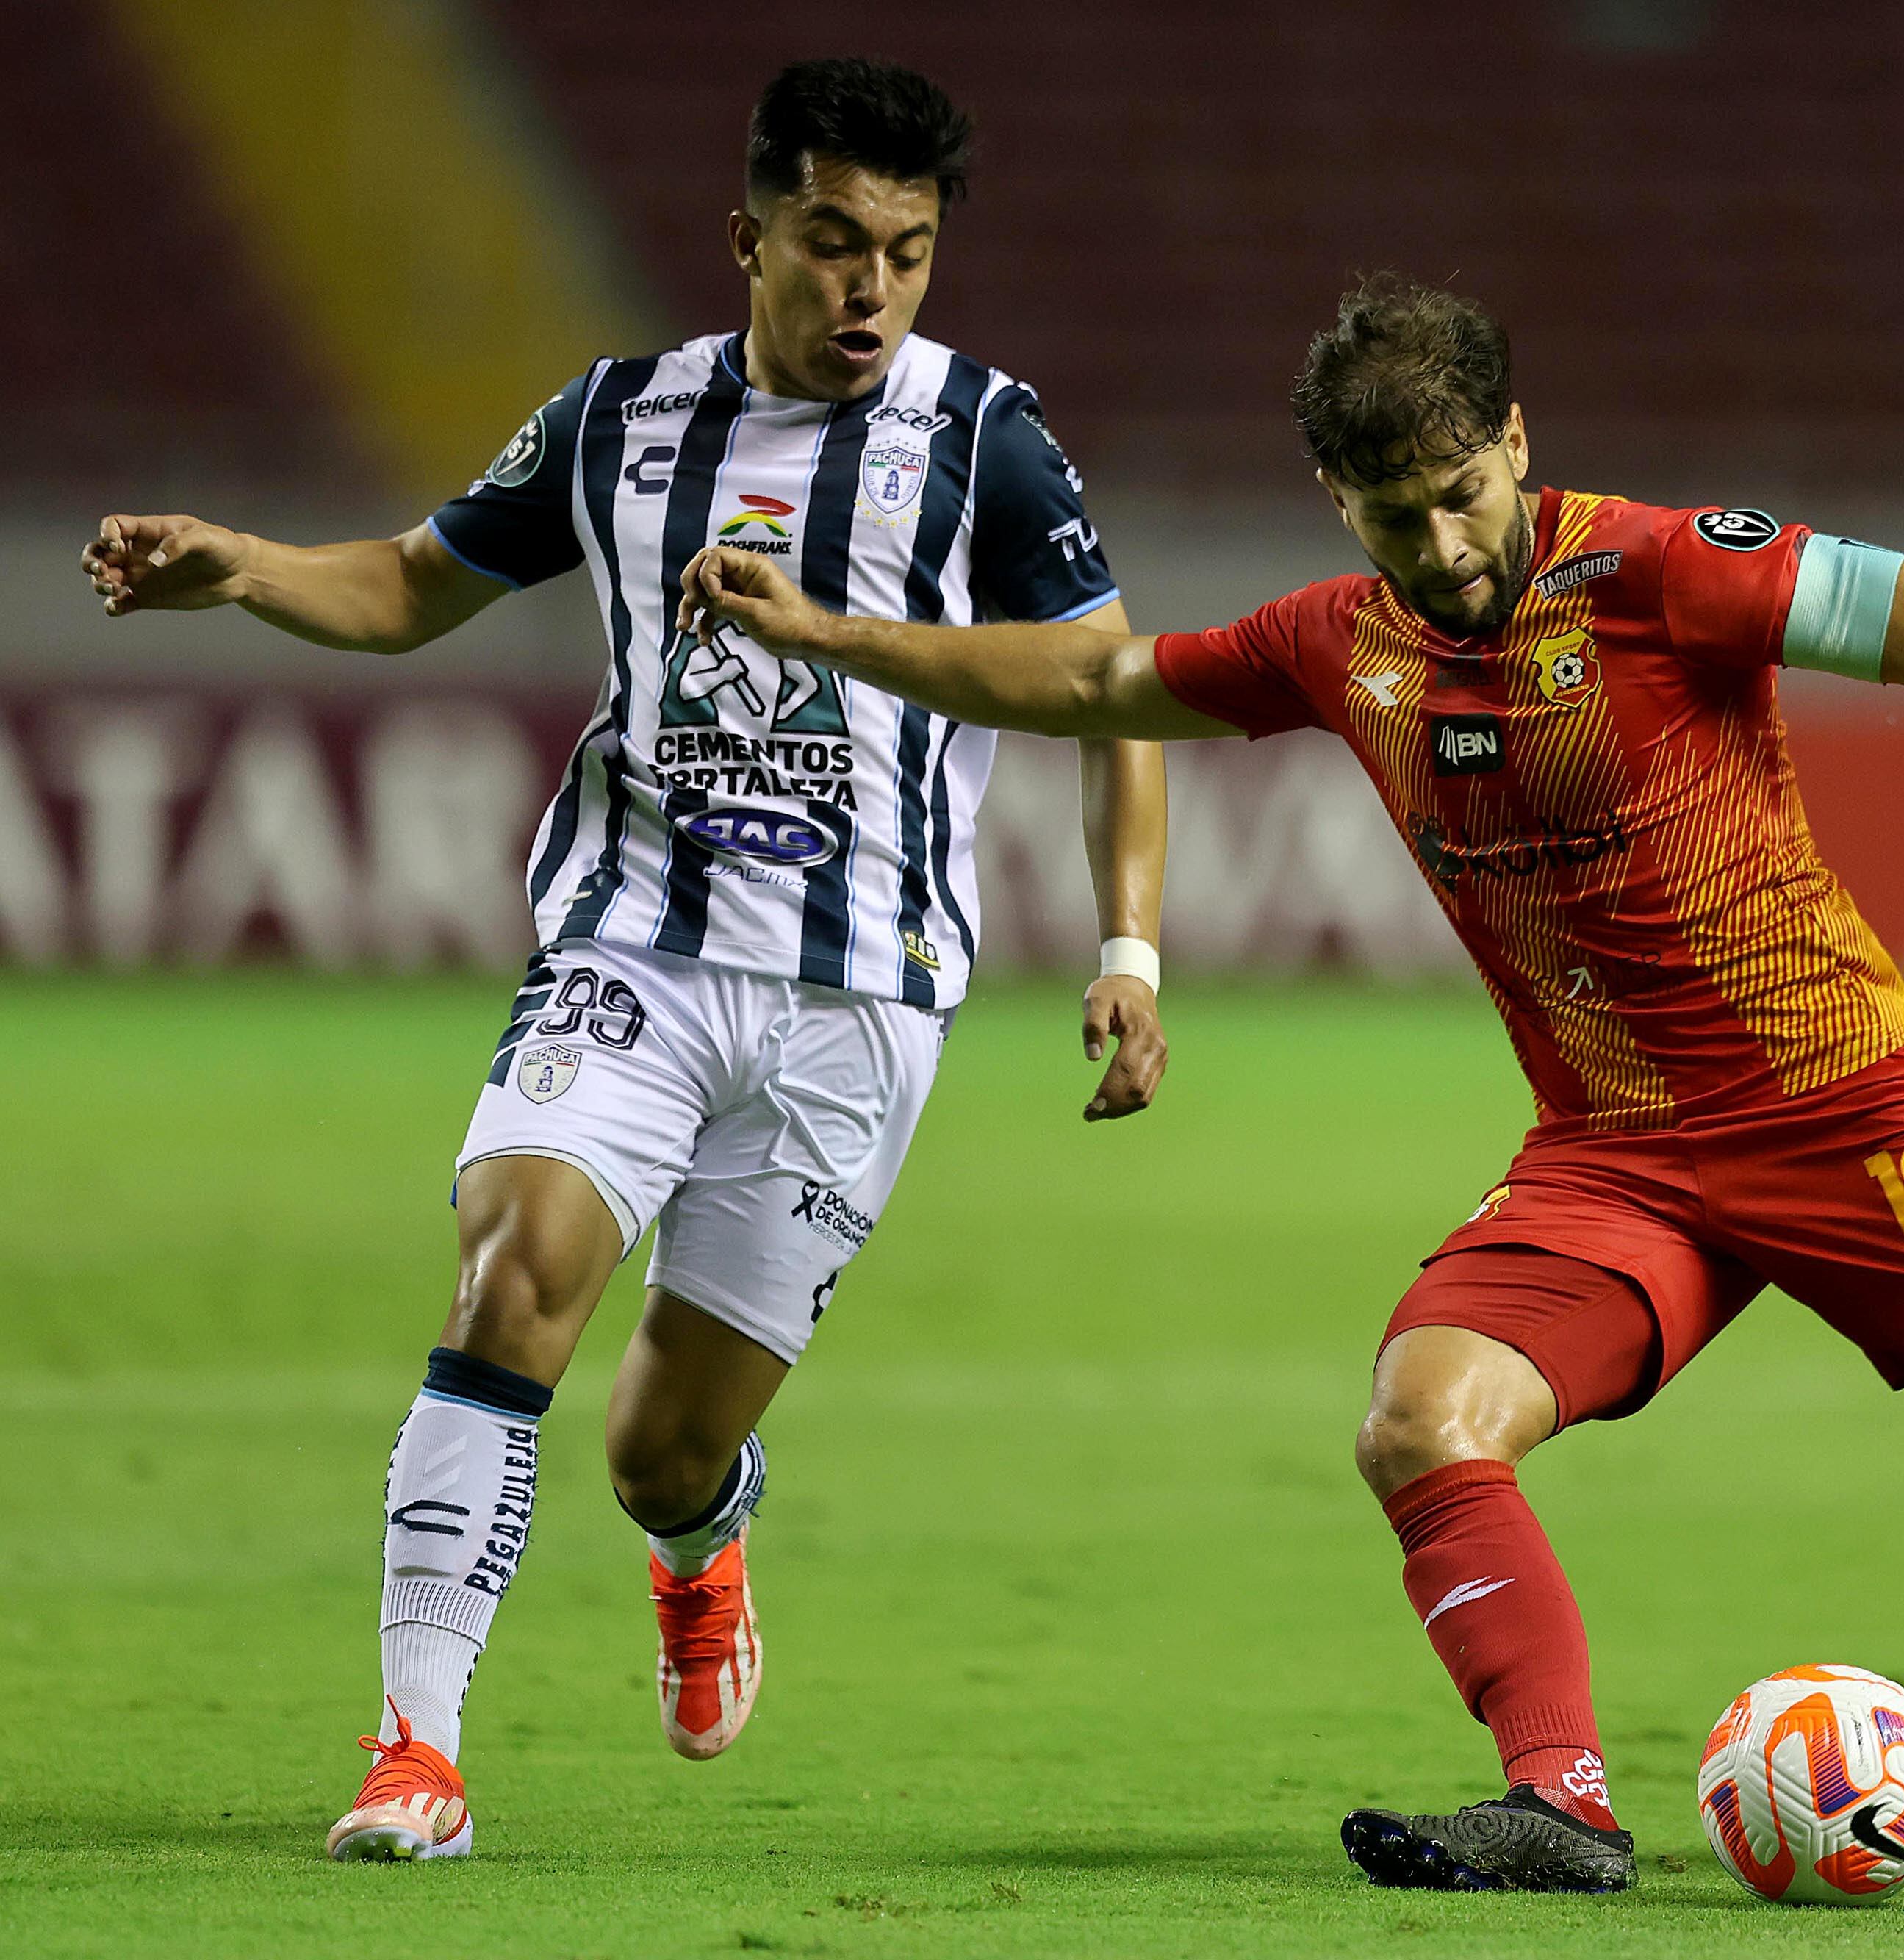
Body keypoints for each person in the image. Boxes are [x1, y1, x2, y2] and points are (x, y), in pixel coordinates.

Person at [664, 276, 1904, 1894]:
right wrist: (827, 631)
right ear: (1336, 502)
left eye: (1457, 495)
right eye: (1388, 513)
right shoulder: (1338, 643)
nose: (1436, 546)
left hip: (1839, 1114)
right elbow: (1106, 677)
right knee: (1420, 1417)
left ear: (1514, 445)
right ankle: (1560, 1795)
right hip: (1614, 1158)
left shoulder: (1660, 572)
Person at [80, 57, 1171, 1863]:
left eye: (905, 252)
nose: (869, 289)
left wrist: (1128, 941)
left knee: (657, 1447)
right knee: (511, 1278)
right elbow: (419, 582)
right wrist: (248, 567)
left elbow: (1118, 692)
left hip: (857, 1008)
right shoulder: (615, 423)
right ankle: (415, 1751)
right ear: (748, 237)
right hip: (634, 949)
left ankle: (700, 1540)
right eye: (832, 243)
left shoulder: (987, 440)